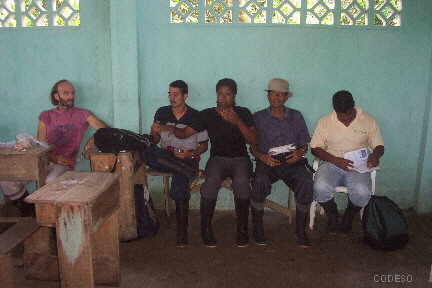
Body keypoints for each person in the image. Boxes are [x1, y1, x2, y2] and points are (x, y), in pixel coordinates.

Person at [158, 78, 256, 247]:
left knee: (241, 183)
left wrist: (237, 122)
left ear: (234, 96)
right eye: (220, 94)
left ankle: (242, 230)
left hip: (240, 159)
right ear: (216, 95)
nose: (223, 98)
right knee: (210, 183)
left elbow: (253, 140)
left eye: (227, 94)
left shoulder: (243, 112)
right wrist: (166, 128)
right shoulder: (207, 114)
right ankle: (206, 229)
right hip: (217, 159)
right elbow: (184, 134)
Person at [0, 79, 108, 216]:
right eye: (66, 93)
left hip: (64, 162)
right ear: (56, 96)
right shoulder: (46, 116)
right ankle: (27, 209)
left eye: (72, 93)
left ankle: (50, 219)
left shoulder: (83, 114)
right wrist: (52, 157)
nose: (71, 97)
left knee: (49, 182)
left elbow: (105, 130)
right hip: (45, 159)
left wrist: (92, 140)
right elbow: (40, 145)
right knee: (7, 178)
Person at [251, 78, 314, 247]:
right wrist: (262, 157)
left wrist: (299, 153)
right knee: (259, 181)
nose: (277, 98)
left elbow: (304, 144)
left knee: (306, 182)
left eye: (281, 95)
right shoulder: (257, 117)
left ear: (286, 97)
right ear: (268, 96)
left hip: (292, 160)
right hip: (267, 160)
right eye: (273, 94)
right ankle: (257, 228)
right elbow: (252, 147)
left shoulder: (296, 116)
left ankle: (300, 231)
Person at [310, 90, 384, 233]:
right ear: (334, 109)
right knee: (319, 187)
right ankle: (332, 214)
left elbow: (379, 145)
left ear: (353, 107)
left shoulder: (368, 120)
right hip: (331, 162)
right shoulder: (325, 121)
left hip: (358, 165)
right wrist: (335, 160)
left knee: (362, 192)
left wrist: (375, 156)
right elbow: (314, 148)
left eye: (348, 114)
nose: (344, 119)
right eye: (340, 115)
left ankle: (349, 215)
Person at [147, 80, 209, 247]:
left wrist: (192, 152)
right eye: (170, 94)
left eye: (176, 94)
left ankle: (182, 234)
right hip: (166, 157)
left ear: (185, 96)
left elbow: (204, 145)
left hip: (187, 158)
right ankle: (187, 172)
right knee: (146, 150)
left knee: (178, 189)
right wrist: (153, 133)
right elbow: (155, 140)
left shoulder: (196, 116)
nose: (171, 98)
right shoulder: (162, 112)